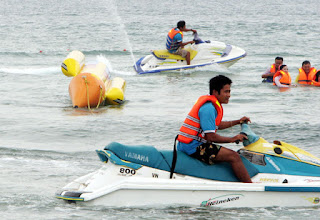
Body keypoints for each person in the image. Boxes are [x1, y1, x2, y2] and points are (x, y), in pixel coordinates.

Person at [177, 75, 252, 183]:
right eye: (226, 92)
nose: (229, 95)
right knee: (234, 156)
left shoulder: (210, 106)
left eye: (229, 91)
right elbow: (211, 136)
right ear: (215, 92)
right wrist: (232, 139)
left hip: (188, 144)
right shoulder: (209, 108)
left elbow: (216, 125)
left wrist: (238, 121)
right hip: (193, 147)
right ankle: (250, 186)